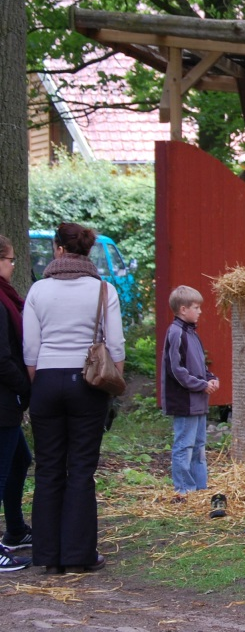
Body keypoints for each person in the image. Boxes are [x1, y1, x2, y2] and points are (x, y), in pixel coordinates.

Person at [24, 223, 124, 573]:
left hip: (47, 382)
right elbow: (115, 345)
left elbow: (31, 349)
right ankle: (79, 554)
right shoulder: (102, 290)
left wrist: (40, 385)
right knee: (81, 469)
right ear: (87, 251)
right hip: (87, 382)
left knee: (48, 468)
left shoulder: (38, 290)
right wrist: (113, 383)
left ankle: (48, 555)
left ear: (59, 250)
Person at [160, 285, 218, 500]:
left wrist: (210, 378)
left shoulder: (192, 333)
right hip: (184, 401)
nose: (200, 311)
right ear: (183, 309)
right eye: (196, 307)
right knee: (184, 445)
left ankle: (200, 488)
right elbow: (177, 370)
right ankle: (184, 490)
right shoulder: (176, 333)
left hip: (198, 400)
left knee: (199, 446)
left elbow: (199, 366)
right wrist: (200, 384)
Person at [0, 236, 32, 571]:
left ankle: (16, 529)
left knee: (21, 459)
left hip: (7, 399)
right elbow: (2, 357)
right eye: (10, 259)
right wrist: (25, 386)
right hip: (3, 400)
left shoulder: (7, 297)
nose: (13, 265)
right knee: (2, 470)